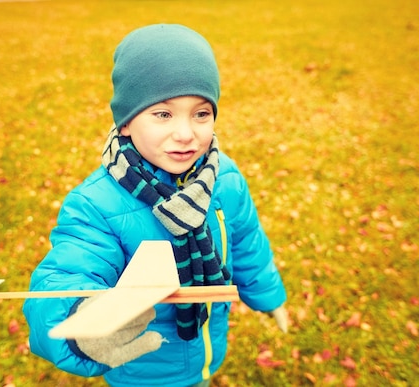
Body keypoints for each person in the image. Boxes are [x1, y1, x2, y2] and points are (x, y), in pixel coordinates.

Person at [23, 23, 288, 387]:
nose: (185, 133)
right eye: (163, 114)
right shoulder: (96, 204)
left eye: (201, 113)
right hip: (144, 369)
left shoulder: (223, 177)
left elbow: (246, 241)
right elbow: (67, 275)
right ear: (127, 122)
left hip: (206, 351)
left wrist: (268, 295)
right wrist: (79, 325)